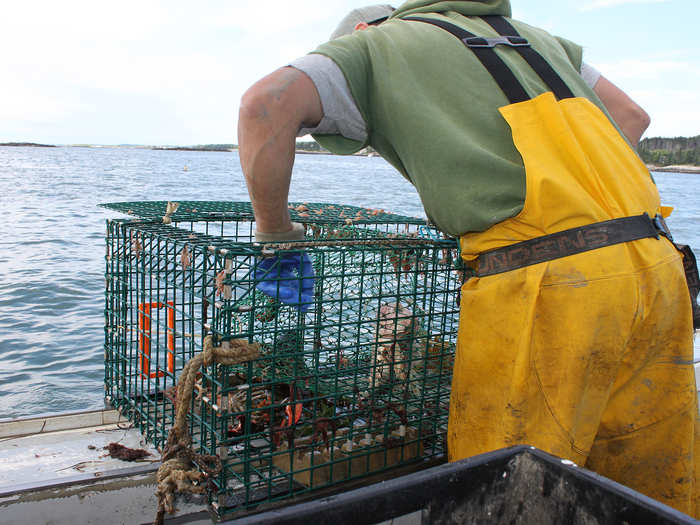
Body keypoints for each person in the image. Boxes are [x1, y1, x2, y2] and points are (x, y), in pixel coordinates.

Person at [238, 1, 698, 517]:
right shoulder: (536, 39)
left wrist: (276, 235)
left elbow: (265, 104)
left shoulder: (371, 45)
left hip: (547, 282)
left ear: (364, 31)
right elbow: (633, 117)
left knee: (503, 481)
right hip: (657, 265)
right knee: (646, 478)